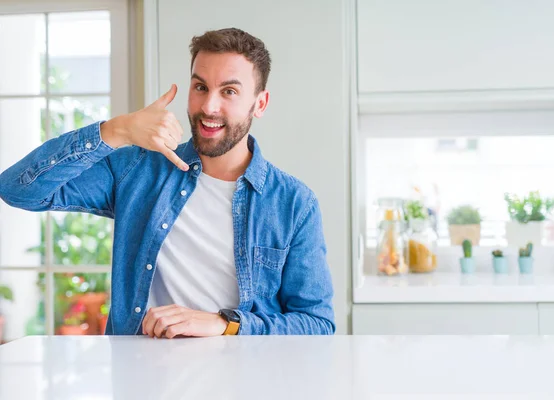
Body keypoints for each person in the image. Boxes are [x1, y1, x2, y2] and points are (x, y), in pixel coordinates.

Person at [0, 28, 335, 337]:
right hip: (139, 375)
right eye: (200, 87)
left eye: (229, 91)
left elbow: (317, 324)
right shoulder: (140, 168)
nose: (208, 106)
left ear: (259, 103)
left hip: (242, 377)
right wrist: (115, 131)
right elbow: (17, 189)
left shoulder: (293, 203)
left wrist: (225, 325)